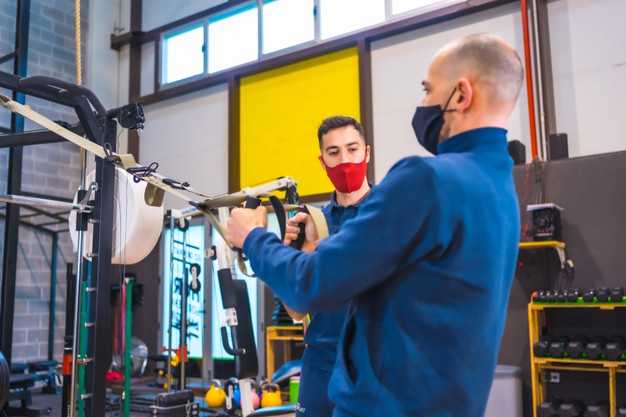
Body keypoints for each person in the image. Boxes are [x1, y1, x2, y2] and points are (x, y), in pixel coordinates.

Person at [227, 33, 523, 417]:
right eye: (333, 153)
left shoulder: (425, 181)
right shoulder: (499, 187)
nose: (423, 104)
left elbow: (308, 284)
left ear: (461, 95)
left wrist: (253, 237)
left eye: (428, 90)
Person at [282, 116, 372, 417]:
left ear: (366, 153)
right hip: (320, 363)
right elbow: (295, 311)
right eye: (333, 153)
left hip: (373, 364)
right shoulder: (315, 223)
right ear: (322, 162)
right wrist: (296, 252)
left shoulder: (388, 212)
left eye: (352, 149)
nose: (344, 160)